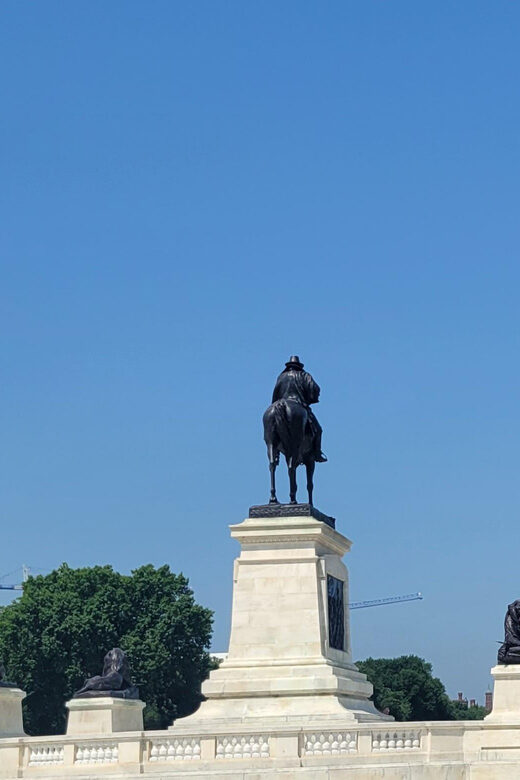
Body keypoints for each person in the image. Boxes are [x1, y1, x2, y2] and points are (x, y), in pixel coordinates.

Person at [271, 356, 327, 462]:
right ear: (299, 366)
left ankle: (275, 453)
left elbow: (275, 393)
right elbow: (315, 388)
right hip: (299, 403)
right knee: (318, 429)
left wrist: (274, 404)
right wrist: (310, 398)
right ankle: (317, 453)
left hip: (279, 404)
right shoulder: (304, 375)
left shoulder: (281, 376)